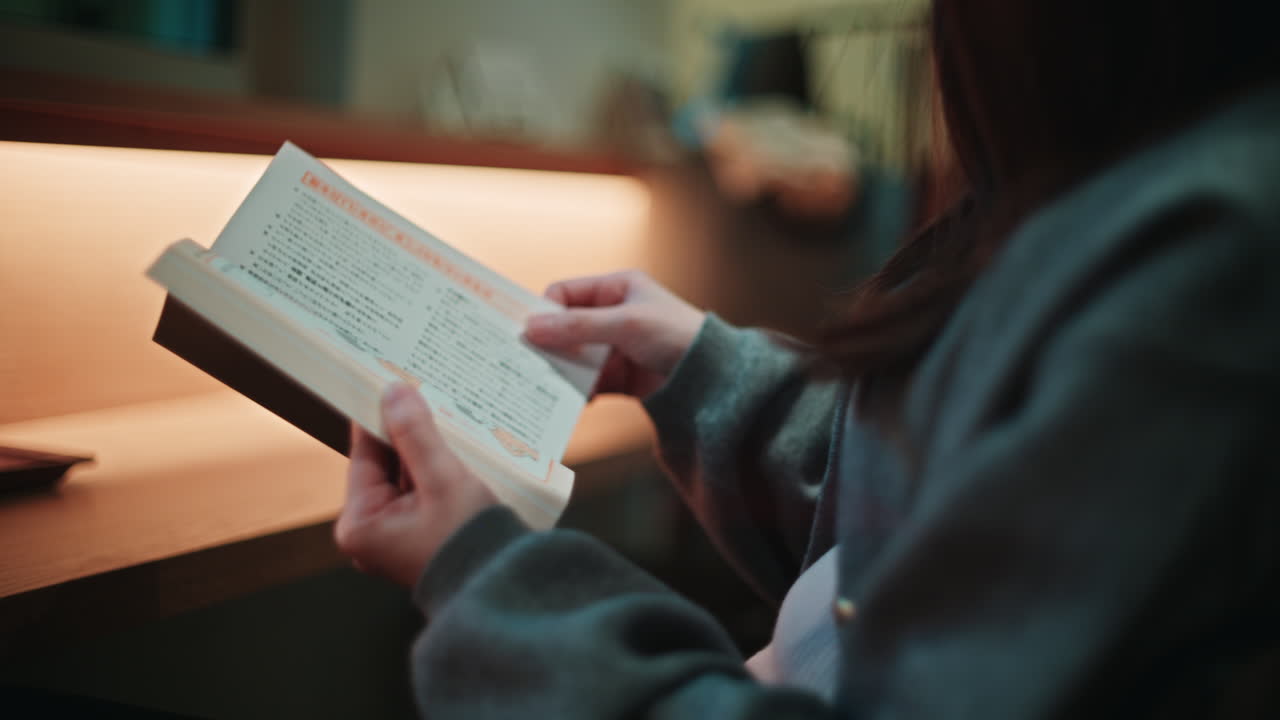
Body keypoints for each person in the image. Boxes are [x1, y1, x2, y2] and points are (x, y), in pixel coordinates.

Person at [333, 0, 1280, 716]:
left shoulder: (1209, 252)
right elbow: (954, 501)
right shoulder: (1135, 194)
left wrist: (487, 576)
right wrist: (693, 365)